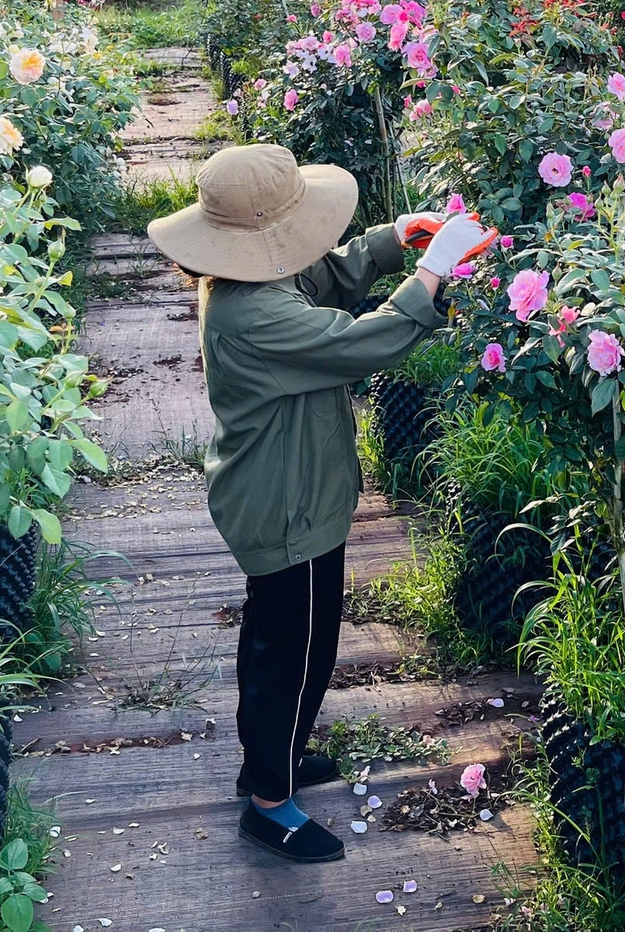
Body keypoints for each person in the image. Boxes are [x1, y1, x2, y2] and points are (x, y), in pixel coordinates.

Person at [146, 144, 490, 864]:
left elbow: (324, 272)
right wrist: (432, 273)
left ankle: (276, 758)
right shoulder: (254, 313)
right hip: (286, 509)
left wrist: (395, 241)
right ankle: (270, 804)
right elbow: (363, 341)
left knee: (288, 644)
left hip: (287, 495)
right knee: (293, 656)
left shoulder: (247, 279)